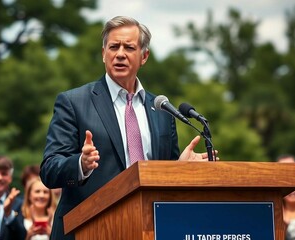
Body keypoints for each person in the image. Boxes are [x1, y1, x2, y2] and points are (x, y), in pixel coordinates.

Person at [40, 16, 216, 240]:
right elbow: (49, 169)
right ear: (103, 53)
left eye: (129, 47)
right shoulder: (74, 102)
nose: (120, 53)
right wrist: (80, 164)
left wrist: (180, 169)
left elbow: (161, 178)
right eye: (114, 47)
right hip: (89, 230)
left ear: (144, 56)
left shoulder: (161, 108)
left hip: (148, 229)